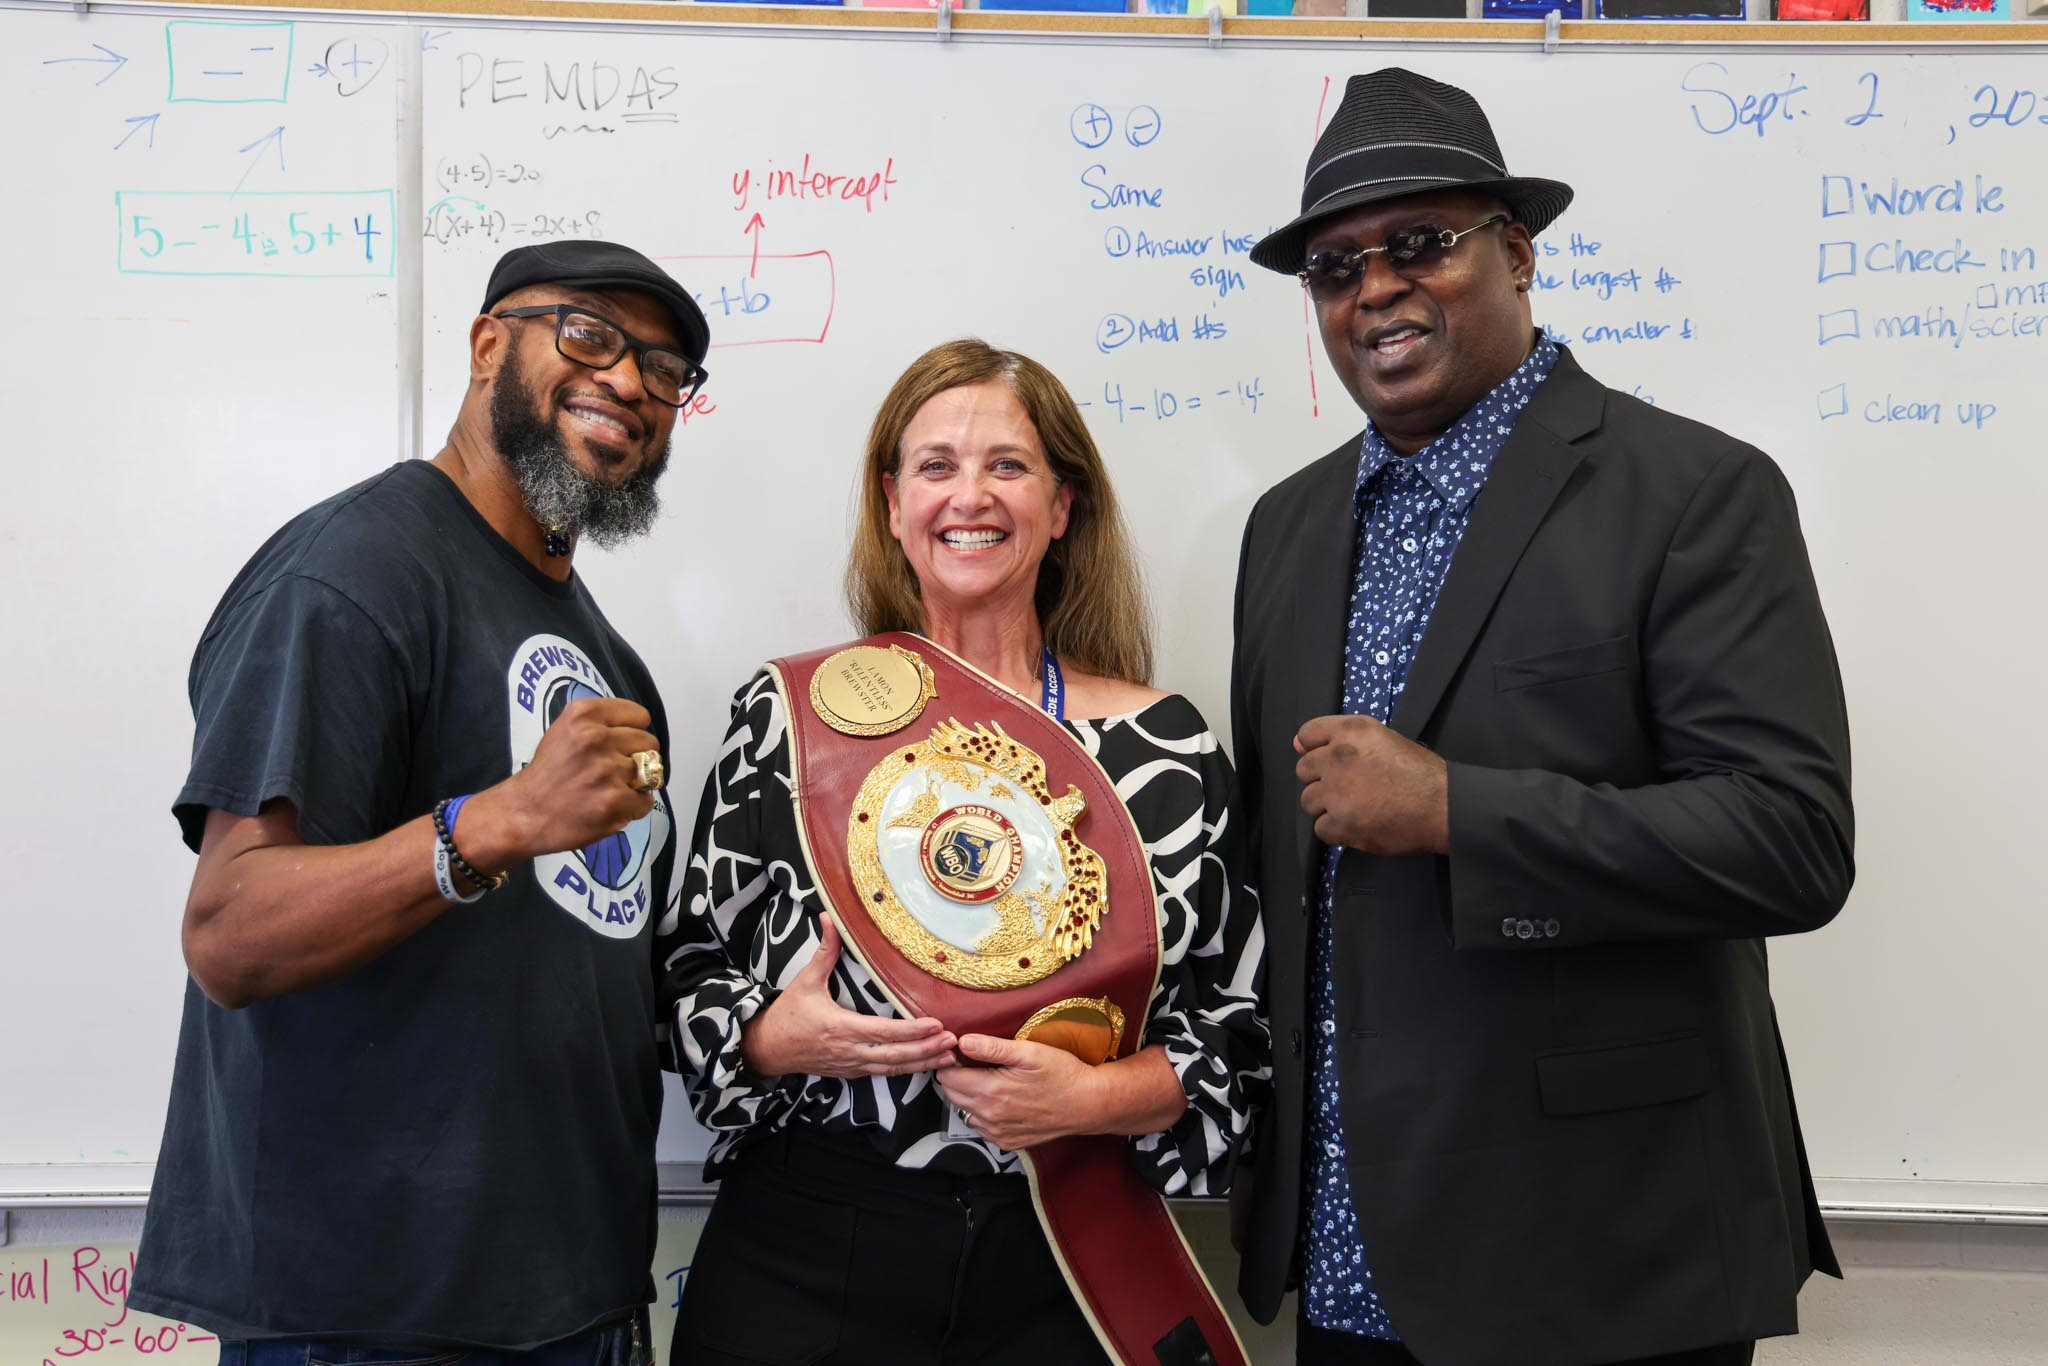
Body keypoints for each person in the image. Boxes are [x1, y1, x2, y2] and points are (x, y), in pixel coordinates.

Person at [1228, 70, 1854, 1366]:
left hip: (1596, 1250)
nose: (1376, 288)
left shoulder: (1694, 492)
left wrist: (1459, 808)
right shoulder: (1285, 528)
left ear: (1517, 252)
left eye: (1421, 244)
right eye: (1336, 267)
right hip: (1344, 1248)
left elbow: (1792, 840)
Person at [129, 240, 712, 1365]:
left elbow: (577, 968)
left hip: (576, 1294)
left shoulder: (610, 662)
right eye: (589, 334)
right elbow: (230, 933)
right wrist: (492, 824)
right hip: (376, 1313)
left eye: (665, 368)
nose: (632, 381)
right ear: (489, 341)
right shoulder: (353, 574)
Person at [656, 339, 1269, 1366]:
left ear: (1063, 505)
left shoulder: (1166, 745)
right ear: (892, 503)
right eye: (935, 465)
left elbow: (1242, 1031)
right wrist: (776, 1039)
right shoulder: (789, 718)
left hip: (1061, 1257)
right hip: (807, 1246)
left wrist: (1092, 1099)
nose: (968, 495)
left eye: (1008, 465)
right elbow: (686, 977)